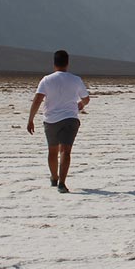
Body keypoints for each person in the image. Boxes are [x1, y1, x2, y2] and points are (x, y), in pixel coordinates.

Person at [27, 50, 90, 193]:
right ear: (67, 63)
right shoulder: (75, 79)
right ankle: (62, 183)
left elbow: (37, 99)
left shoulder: (46, 80)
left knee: (52, 150)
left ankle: (54, 178)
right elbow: (86, 99)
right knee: (66, 151)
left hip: (51, 120)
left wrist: (30, 119)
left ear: (54, 63)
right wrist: (81, 104)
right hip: (70, 118)